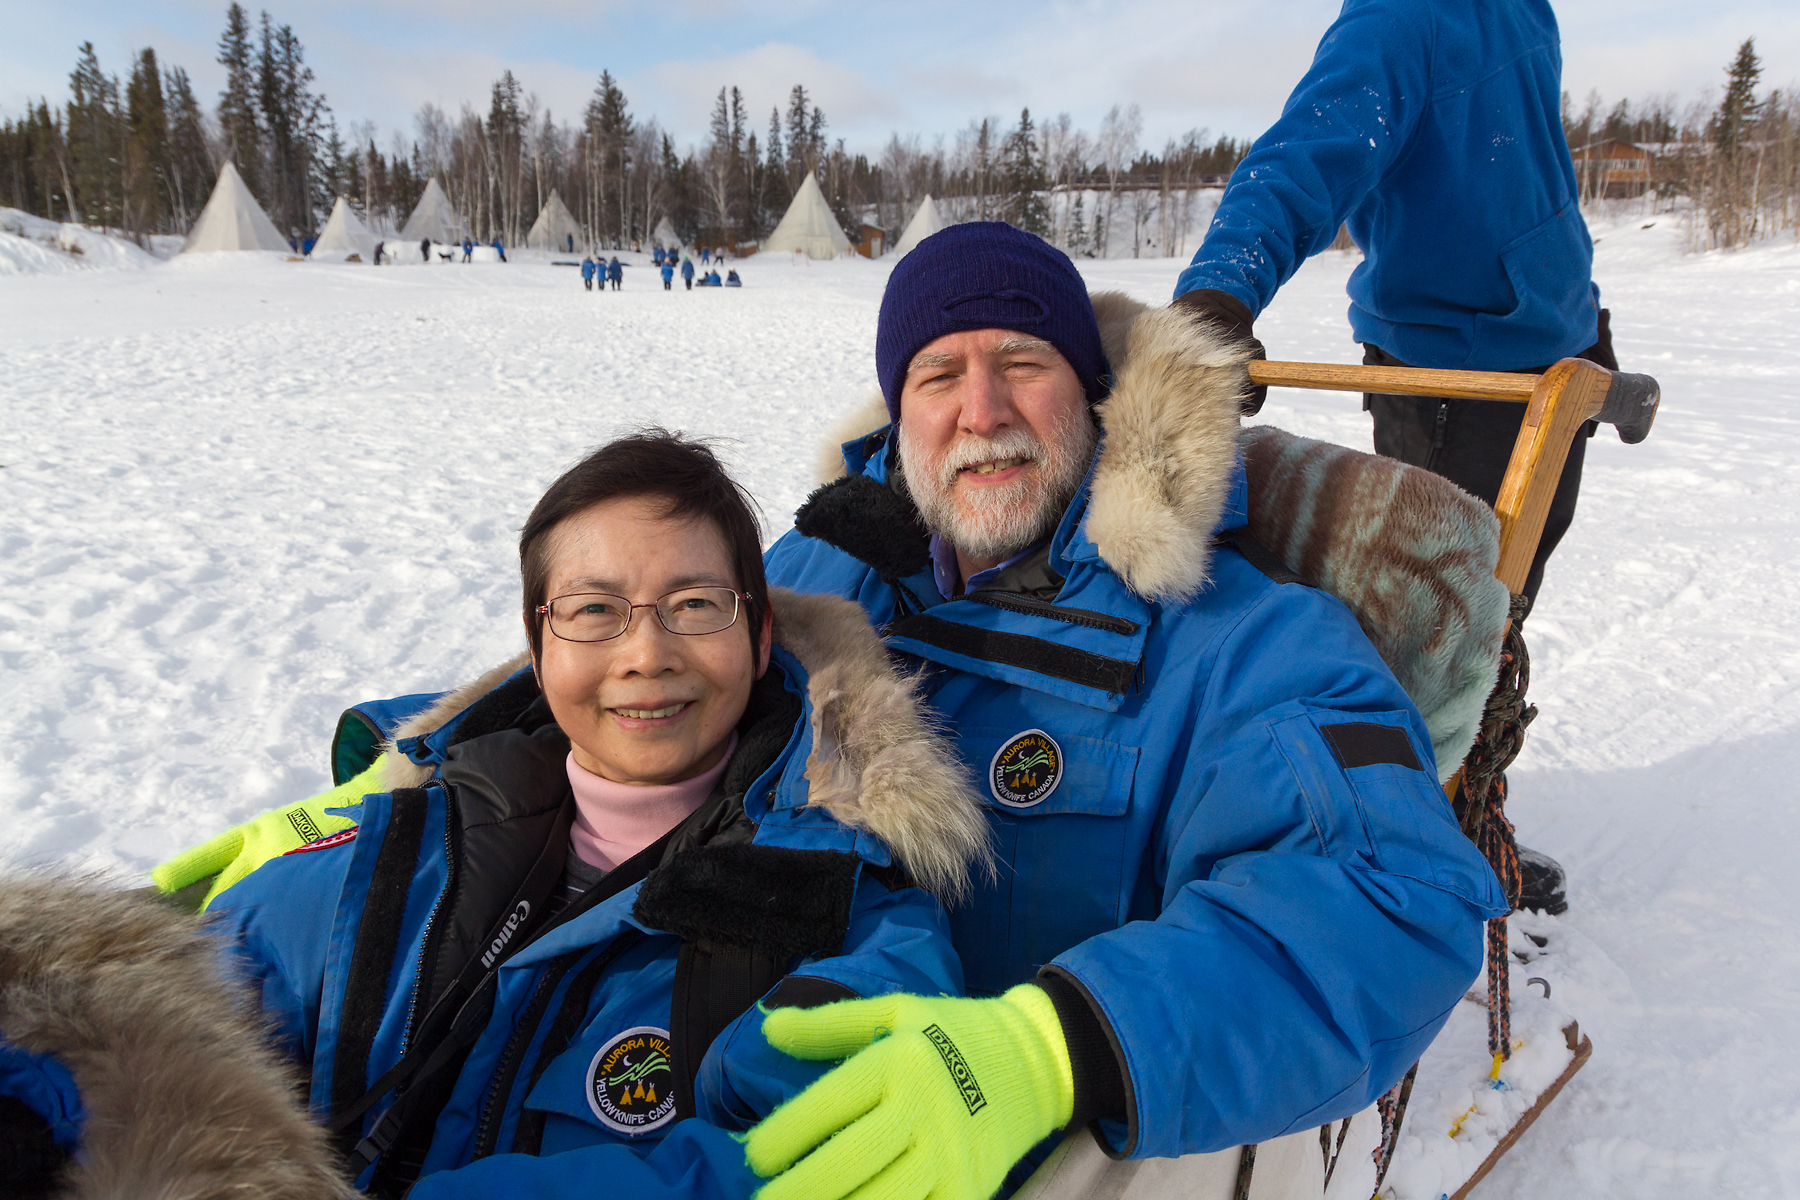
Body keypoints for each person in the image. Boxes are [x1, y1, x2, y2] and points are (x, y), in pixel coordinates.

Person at [747, 222, 1504, 1200]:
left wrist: (1060, 1047)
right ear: (898, 415)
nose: (981, 410)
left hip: (1048, 1141)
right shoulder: (813, 570)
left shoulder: (1240, 641)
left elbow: (1392, 891)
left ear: (1094, 395)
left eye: (1023, 362)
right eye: (938, 375)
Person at [137, 432, 984, 1200]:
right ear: (538, 649)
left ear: (760, 635)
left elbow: (793, 1163)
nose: (646, 655)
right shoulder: (398, 846)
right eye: (593, 611)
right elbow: (150, 1036)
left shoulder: (854, 924)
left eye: (694, 605)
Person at [1172, 0, 1601, 913]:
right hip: (1454, 384)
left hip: (1556, 365)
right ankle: (1401, 857)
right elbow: (1305, 153)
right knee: (1440, 633)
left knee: (1504, 622)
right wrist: (1218, 296)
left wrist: (1585, 327)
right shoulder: (1404, 18)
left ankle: (1464, 813)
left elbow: (1532, 183)